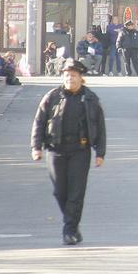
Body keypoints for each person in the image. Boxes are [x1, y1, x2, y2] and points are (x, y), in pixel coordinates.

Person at [31, 58, 106, 245]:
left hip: (80, 150)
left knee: (76, 192)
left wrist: (100, 153)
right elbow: (39, 121)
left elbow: (101, 127)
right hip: (56, 150)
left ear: (81, 78)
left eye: (73, 76)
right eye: (67, 75)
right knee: (60, 191)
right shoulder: (52, 97)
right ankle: (71, 222)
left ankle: (70, 229)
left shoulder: (90, 99)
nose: (70, 79)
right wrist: (36, 147)